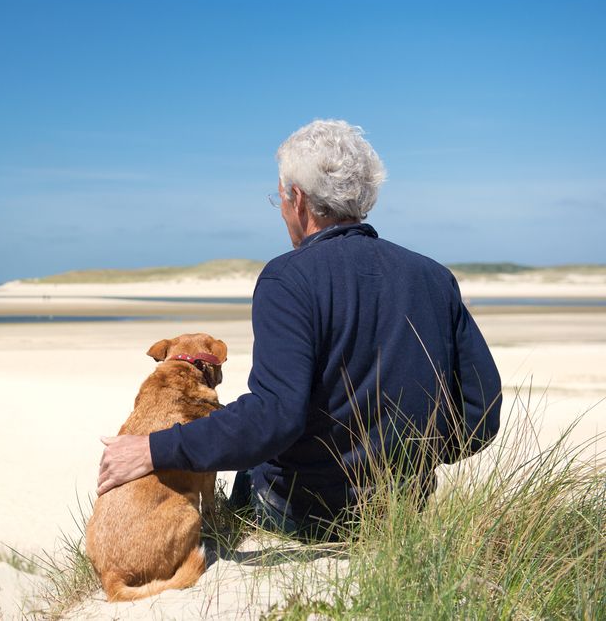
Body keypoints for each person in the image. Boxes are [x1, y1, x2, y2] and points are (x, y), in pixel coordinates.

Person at [97, 119, 502, 540]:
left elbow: (274, 415)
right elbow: (481, 414)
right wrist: (411, 465)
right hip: (405, 511)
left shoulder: (287, 278)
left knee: (254, 467)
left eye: (280, 198)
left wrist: (154, 448)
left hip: (300, 514)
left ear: (298, 198)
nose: (282, 209)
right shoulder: (433, 276)